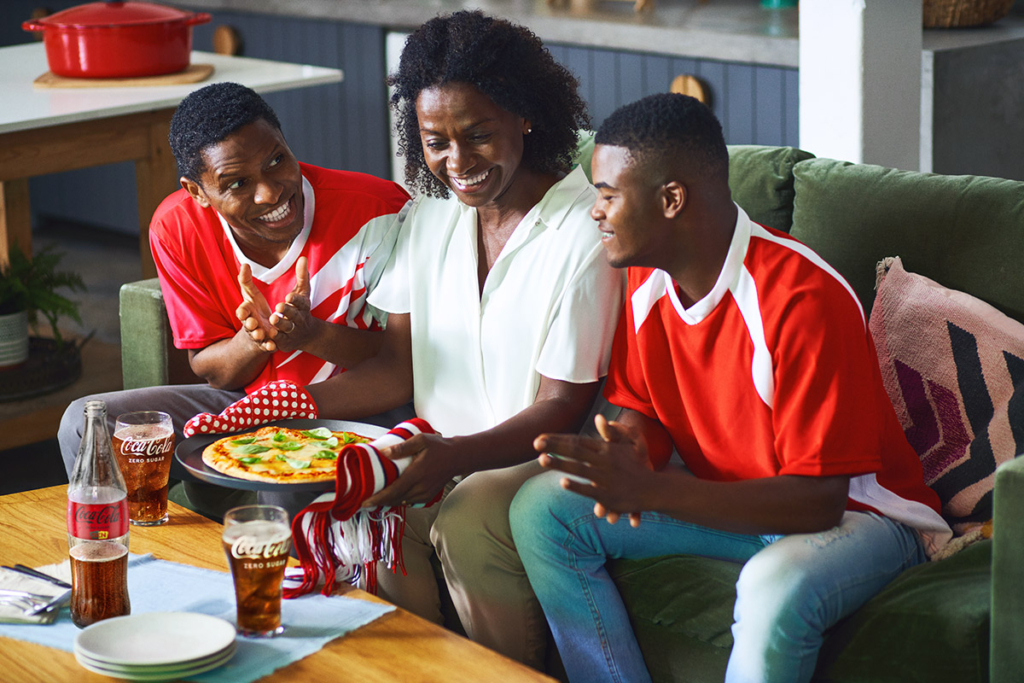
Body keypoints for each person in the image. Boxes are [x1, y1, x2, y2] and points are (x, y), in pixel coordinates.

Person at [184, 11, 622, 669]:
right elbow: (394, 367)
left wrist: (451, 455)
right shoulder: (429, 218)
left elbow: (562, 405)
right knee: (359, 492)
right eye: (436, 141)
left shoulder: (583, 234)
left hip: (536, 452)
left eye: (476, 135)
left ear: (525, 116)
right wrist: (291, 412)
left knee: (466, 515)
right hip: (434, 439)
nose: (457, 162)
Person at [508, 93, 954, 683]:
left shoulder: (801, 299)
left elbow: (816, 502)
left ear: (671, 200)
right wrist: (631, 449)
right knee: (542, 511)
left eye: (608, 194)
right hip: (733, 502)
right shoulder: (646, 278)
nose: (595, 211)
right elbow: (644, 407)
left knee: (770, 585)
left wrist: (651, 491)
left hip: (861, 519)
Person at [58, 82, 412, 516]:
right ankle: (133, 565)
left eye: (277, 160)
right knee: (86, 424)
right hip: (244, 406)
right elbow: (213, 371)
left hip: (351, 407)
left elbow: (400, 363)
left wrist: (312, 335)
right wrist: (255, 338)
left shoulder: (379, 211)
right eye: (238, 182)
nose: (271, 192)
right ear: (197, 192)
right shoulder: (176, 228)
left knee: (285, 472)